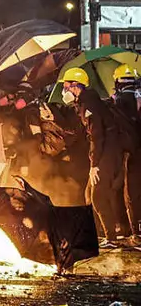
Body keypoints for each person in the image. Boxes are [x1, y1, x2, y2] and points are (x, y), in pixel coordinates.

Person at [62, 67, 131, 243]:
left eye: (66, 85)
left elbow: (97, 136)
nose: (65, 90)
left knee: (98, 197)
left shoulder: (89, 105)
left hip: (107, 154)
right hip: (107, 152)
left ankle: (111, 238)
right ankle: (98, 235)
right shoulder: (86, 102)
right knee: (89, 195)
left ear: (76, 86)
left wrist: (94, 165)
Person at [111, 64, 141, 243]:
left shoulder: (118, 101)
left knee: (129, 192)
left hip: (128, 153)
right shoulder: (138, 99)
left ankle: (133, 231)